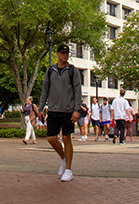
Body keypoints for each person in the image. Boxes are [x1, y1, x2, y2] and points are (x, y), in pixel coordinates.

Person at [38, 44, 82, 182]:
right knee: (51, 138)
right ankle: (63, 158)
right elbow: (45, 90)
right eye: (62, 53)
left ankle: (68, 169)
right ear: (57, 54)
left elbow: (77, 91)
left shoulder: (72, 70)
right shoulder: (50, 70)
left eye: (67, 53)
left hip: (68, 110)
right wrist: (40, 108)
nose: (65, 55)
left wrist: (77, 110)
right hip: (53, 110)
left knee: (66, 138)